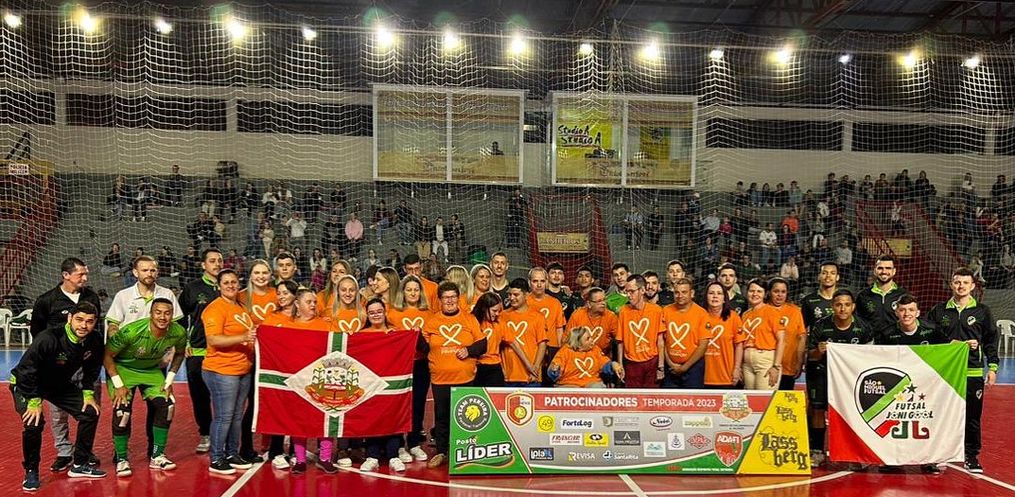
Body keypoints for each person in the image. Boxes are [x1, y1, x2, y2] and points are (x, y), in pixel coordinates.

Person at [12, 303, 106, 490]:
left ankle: (79, 464)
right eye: (79, 320)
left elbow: (92, 368)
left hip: (57, 384)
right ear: (70, 318)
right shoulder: (48, 338)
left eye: (89, 321)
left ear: (95, 322)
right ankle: (31, 471)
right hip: (26, 384)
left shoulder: (94, 339)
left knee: (89, 412)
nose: (84, 325)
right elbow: (25, 370)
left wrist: (88, 393)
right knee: (34, 423)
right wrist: (34, 400)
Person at [29, 257, 103, 472]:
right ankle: (63, 451)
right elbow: (37, 332)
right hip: (58, 367)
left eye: (86, 273)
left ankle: (84, 452)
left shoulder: (91, 297)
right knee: (58, 412)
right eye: (81, 274)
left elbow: (95, 327)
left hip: (86, 362)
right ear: (66, 275)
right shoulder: (47, 300)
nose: (85, 278)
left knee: (90, 407)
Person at [927, 267, 999, 474]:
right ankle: (937, 455)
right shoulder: (939, 311)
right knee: (940, 414)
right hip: (944, 373)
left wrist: (993, 368)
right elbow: (930, 337)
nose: (961, 286)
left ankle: (971, 456)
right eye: (957, 282)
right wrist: (952, 344)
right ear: (951, 284)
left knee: (972, 417)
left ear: (973, 286)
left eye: (965, 283)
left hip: (972, 372)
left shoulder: (982, 311)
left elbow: (991, 340)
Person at [104, 299, 187, 476]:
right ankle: (121, 459)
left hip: (150, 370)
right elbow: (107, 355)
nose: (162, 317)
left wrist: (169, 379)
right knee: (122, 412)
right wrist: (118, 384)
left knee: (167, 406)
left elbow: (180, 354)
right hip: (123, 368)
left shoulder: (178, 332)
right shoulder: (131, 331)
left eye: (167, 313)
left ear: (172, 315)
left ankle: (157, 456)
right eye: (158, 312)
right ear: (150, 314)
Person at [805, 289, 875, 469]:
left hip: (850, 377)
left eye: (846, 305)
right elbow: (810, 355)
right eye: (838, 305)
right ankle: (817, 451)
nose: (842, 308)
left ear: (853, 307)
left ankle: (855, 454)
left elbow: (871, 356)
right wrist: (818, 351)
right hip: (822, 374)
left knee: (854, 413)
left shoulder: (864, 327)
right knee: (818, 410)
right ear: (832, 306)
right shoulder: (821, 326)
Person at [421, 282, 486, 468]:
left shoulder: (469, 319)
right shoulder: (432, 321)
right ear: (440, 300)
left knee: (466, 417)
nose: (449, 301)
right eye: (445, 297)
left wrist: (469, 350)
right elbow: (423, 347)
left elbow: (483, 344)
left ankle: (465, 451)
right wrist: (412, 334)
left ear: (458, 298)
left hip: (465, 378)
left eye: (453, 297)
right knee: (442, 417)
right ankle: (441, 452)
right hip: (440, 379)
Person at [202, 269, 257, 475]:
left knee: (236, 415)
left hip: (243, 369)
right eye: (226, 282)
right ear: (219, 286)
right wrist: (243, 337)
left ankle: (232, 453)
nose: (231, 285)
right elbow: (213, 339)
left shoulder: (240, 307)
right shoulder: (215, 309)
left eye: (234, 282)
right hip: (222, 370)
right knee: (224, 416)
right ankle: (217, 458)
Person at [283, 289, 338, 475]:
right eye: (309, 302)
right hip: (297, 381)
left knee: (326, 417)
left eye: (315, 302)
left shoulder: (326, 325)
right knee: (297, 420)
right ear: (297, 304)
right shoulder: (287, 326)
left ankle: (325, 458)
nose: (313, 305)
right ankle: (300, 460)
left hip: (321, 380)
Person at [359, 298, 414, 473]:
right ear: (367, 315)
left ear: (385, 312)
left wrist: (412, 334)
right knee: (372, 419)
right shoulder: (361, 335)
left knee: (393, 416)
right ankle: (372, 456)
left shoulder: (395, 333)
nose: (376, 315)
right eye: (372, 312)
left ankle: (393, 456)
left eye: (379, 311)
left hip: (392, 384)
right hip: (370, 385)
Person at [179, 248, 222, 454]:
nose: (217, 264)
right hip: (197, 351)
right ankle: (205, 433)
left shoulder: (229, 286)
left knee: (225, 397)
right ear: (203, 265)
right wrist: (183, 343)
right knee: (200, 397)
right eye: (212, 261)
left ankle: (223, 435)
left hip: (224, 351)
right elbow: (179, 318)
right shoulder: (192, 288)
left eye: (220, 260)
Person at [387, 275, 431, 463]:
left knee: (418, 404)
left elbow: (430, 343)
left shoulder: (428, 314)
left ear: (421, 292)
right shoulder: (392, 313)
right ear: (402, 292)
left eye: (416, 290)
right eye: (409, 289)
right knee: (399, 404)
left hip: (421, 364)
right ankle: (398, 444)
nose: (413, 293)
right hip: (400, 365)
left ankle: (414, 443)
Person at [473, 292, 535, 388]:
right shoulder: (472, 321)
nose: (497, 314)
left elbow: (514, 343)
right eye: (494, 311)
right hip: (476, 366)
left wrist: (528, 365)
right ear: (484, 308)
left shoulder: (500, 323)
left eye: (499, 311)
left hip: (494, 367)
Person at [615, 274, 665, 388]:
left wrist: (661, 366)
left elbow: (660, 341)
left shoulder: (656, 310)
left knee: (651, 397)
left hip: (652, 362)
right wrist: (620, 365)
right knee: (633, 397)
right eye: (627, 292)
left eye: (632, 291)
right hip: (631, 363)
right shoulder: (623, 311)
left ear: (642, 290)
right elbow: (620, 341)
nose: (629, 295)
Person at [660, 278, 708, 389]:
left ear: (692, 293)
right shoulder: (666, 311)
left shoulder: (702, 314)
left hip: (694, 369)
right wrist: (670, 363)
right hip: (670, 369)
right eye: (677, 292)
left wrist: (685, 367)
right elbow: (662, 341)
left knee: (692, 399)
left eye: (684, 292)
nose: (680, 295)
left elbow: (703, 345)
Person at [499, 278, 547, 387]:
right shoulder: (502, 316)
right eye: (510, 294)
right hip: (508, 376)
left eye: (516, 295)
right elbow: (497, 345)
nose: (512, 298)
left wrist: (535, 368)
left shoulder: (538, 317)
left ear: (526, 295)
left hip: (531, 377)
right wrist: (501, 368)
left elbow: (542, 344)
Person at [739, 279, 785, 391]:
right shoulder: (745, 315)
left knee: (764, 399)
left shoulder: (772, 312)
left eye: (759, 291)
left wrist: (776, 366)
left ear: (765, 294)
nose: (755, 294)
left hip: (766, 360)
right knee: (750, 399)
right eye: (752, 291)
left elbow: (782, 341)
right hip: (747, 363)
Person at [700, 281, 746, 388]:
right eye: (711, 293)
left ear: (724, 298)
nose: (715, 296)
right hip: (701, 377)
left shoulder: (733, 317)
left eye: (719, 293)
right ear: (706, 297)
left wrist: (737, 368)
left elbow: (739, 345)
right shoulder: (699, 316)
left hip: (726, 376)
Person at [527, 267, 566, 386]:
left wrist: (560, 352)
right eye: (535, 281)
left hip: (552, 350)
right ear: (529, 282)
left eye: (542, 281)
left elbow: (559, 330)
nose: (539, 285)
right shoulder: (524, 302)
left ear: (547, 282)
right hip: (532, 350)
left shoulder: (555, 303)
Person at [548, 327, 624, 388]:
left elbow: (604, 363)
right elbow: (553, 371)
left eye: (590, 337)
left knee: (597, 388)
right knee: (572, 391)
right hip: (569, 383)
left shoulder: (595, 349)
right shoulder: (565, 351)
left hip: (591, 382)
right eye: (588, 339)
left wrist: (613, 364)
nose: (592, 340)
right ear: (579, 344)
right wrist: (554, 370)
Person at [769, 278, 807, 391]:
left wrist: (799, 362)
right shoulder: (763, 310)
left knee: (783, 399)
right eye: (776, 291)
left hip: (788, 366)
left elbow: (802, 337)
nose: (780, 295)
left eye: (783, 292)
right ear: (769, 292)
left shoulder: (795, 311)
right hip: (767, 365)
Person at [856, 255, 907, 333]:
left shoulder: (903, 295)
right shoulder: (863, 295)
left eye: (888, 268)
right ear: (875, 271)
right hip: (870, 340)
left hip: (895, 339)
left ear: (894, 271)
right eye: (880, 268)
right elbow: (857, 321)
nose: (884, 271)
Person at [565, 287, 618, 359]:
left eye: (604, 300)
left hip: (602, 357)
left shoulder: (611, 316)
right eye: (599, 301)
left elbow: (619, 339)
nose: (603, 303)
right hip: (579, 356)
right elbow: (567, 340)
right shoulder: (577, 315)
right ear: (589, 304)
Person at [876, 294, 947, 346]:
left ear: (918, 313)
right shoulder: (886, 334)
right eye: (902, 310)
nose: (906, 314)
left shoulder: (933, 330)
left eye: (911, 310)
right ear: (896, 313)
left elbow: (948, 348)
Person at [799, 262, 842, 331]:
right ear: (819, 276)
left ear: (837, 277)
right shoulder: (808, 300)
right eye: (824, 273)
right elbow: (801, 328)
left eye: (832, 273)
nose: (828, 276)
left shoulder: (845, 300)